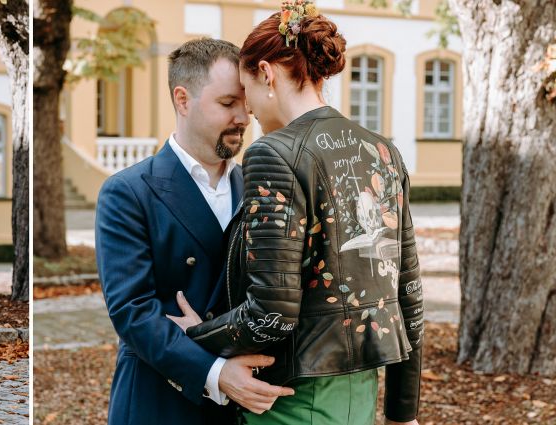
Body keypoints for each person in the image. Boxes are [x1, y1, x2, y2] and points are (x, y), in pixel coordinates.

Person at [169, 3, 423, 424]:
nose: (248, 111)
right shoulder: (383, 151)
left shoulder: (274, 154)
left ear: (266, 74)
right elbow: (408, 293)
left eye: (246, 90)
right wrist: (403, 411)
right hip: (360, 392)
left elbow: (272, 313)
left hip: (292, 396)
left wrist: (198, 336)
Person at [95, 38, 295, 425]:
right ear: (183, 100)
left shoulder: (258, 186)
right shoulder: (128, 192)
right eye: (227, 103)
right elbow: (133, 312)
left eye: (245, 102)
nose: (243, 116)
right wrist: (216, 372)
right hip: (159, 402)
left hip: (243, 407)